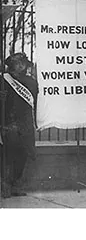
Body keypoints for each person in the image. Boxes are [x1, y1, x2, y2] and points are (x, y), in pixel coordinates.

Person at [2, 53, 37, 198]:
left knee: (22, 156)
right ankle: (6, 186)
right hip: (9, 124)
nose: (22, 66)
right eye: (19, 63)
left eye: (23, 63)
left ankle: (15, 185)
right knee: (8, 157)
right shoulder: (4, 80)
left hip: (25, 125)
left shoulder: (31, 81)